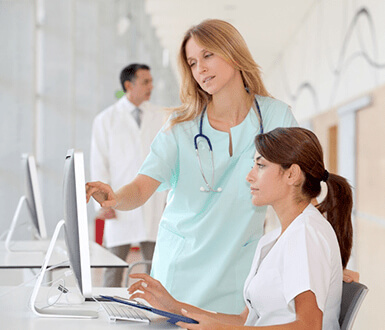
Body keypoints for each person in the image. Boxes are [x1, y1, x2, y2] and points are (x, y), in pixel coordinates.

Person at [86, 19, 356, 312]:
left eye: (207, 55)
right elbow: (142, 186)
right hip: (180, 272)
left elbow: (302, 196)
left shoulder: (276, 116)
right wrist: (115, 197)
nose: (199, 68)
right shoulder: (181, 126)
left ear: (233, 52)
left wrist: (320, 262)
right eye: (191, 62)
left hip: (239, 269)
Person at [127, 127, 354, 330]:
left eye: (261, 165)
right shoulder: (274, 239)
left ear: (292, 174)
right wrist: (175, 307)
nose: (249, 176)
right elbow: (244, 321)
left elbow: (309, 326)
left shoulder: (306, 233)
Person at [90, 63, 167, 287]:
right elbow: (99, 164)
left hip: (154, 200)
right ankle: (109, 311)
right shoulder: (106, 120)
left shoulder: (161, 116)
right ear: (128, 85)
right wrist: (102, 204)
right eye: (145, 82)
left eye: (151, 81)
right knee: (114, 265)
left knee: (157, 265)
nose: (151, 86)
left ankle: (155, 311)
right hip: (119, 201)